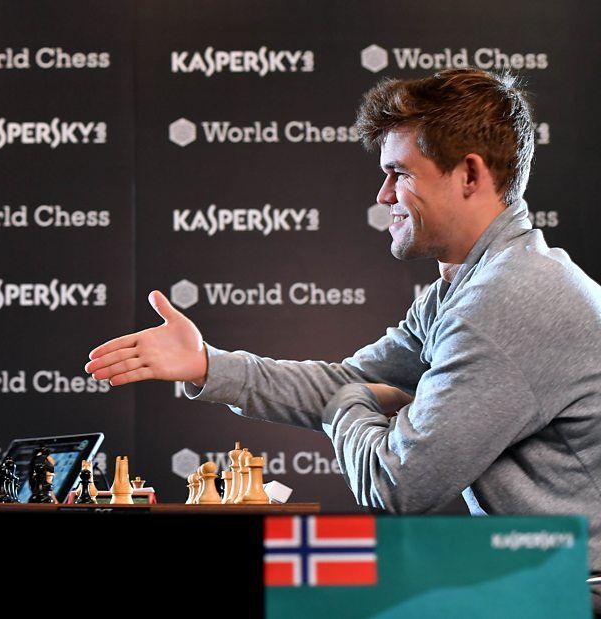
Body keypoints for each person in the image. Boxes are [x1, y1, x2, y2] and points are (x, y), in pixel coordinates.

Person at [86, 69, 601, 610]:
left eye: (400, 174)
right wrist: (206, 365)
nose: (382, 196)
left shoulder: (507, 300)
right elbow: (352, 380)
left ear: (469, 174)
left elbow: (396, 486)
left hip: (574, 595)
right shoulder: (474, 284)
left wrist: (351, 405)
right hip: (538, 581)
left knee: (299, 599)